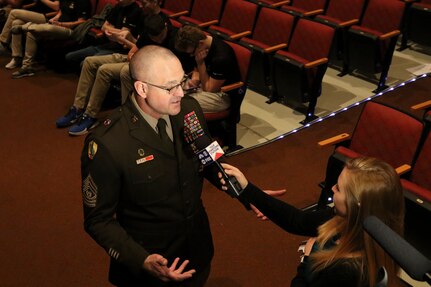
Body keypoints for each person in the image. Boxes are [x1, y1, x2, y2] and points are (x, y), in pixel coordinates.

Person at [81, 45, 219, 286]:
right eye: (170, 87)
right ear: (141, 88)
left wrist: (246, 192)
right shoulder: (109, 142)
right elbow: (98, 220)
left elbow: (208, 158)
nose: (181, 93)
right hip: (150, 263)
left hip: (197, 248)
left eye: (182, 81)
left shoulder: (189, 110)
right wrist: (142, 259)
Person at [219, 157, 405, 287]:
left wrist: (305, 260)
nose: (331, 188)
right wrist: (247, 189)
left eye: (338, 188)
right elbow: (297, 220)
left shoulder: (348, 269)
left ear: (355, 205)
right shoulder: (343, 217)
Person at [8, 0, 91, 78]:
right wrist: (55, 18)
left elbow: (82, 21)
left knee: (48, 29)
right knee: (32, 32)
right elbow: (61, 12)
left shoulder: (83, 1)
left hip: (71, 30)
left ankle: (25, 27)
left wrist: (62, 24)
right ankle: (27, 67)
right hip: (57, 25)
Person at [173, 25, 241, 113]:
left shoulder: (221, 58)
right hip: (204, 85)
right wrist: (195, 80)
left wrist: (200, 63)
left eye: (192, 53)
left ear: (200, 44)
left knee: (179, 103)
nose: (192, 55)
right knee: (172, 92)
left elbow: (209, 89)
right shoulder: (203, 46)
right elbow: (197, 71)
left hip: (222, 95)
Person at [65, 0, 141, 68]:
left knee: (85, 63)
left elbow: (123, 35)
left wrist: (110, 29)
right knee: (69, 57)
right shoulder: (118, 6)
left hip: (119, 49)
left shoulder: (136, 10)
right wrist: (114, 31)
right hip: (105, 44)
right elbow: (104, 27)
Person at [0, 0, 59, 67]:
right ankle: (16, 57)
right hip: (36, 15)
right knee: (16, 23)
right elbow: (37, 5)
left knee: (14, 12)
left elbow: (56, 7)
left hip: (47, 18)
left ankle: (3, 41)